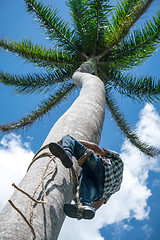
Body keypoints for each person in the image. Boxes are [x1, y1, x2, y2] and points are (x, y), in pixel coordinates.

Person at [49, 135, 124, 220]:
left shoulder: (118, 157)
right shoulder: (117, 187)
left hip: (101, 169)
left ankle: (68, 153)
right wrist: (89, 210)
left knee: (68, 138)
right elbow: (100, 202)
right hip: (99, 190)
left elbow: (97, 149)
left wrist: (72, 143)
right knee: (85, 186)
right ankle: (85, 206)